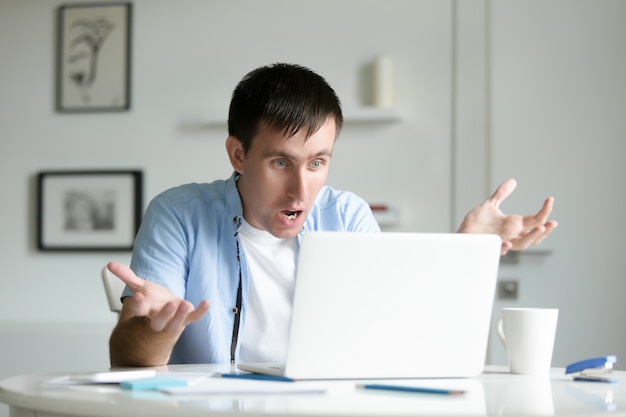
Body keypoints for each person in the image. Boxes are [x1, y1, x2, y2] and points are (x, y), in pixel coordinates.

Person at [108, 63, 557, 368]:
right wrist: (156, 330)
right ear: (238, 154)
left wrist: (466, 249)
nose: (302, 190)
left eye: (317, 163)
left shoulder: (347, 216)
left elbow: (402, 334)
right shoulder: (178, 215)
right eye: (281, 162)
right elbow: (126, 357)